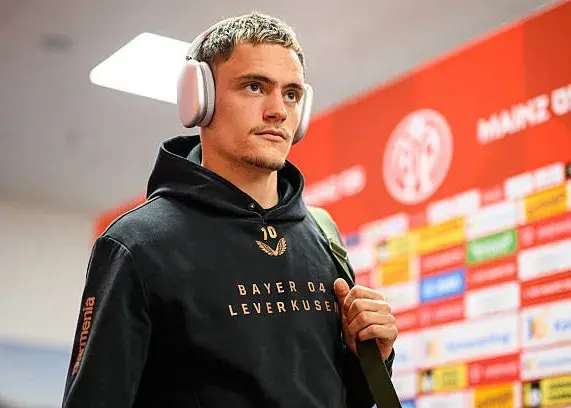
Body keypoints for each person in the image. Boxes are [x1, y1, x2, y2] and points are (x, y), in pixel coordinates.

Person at [62, 12, 397, 408]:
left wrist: (371, 360)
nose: (278, 110)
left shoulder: (323, 234)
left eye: (291, 94)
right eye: (255, 87)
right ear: (200, 99)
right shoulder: (136, 244)